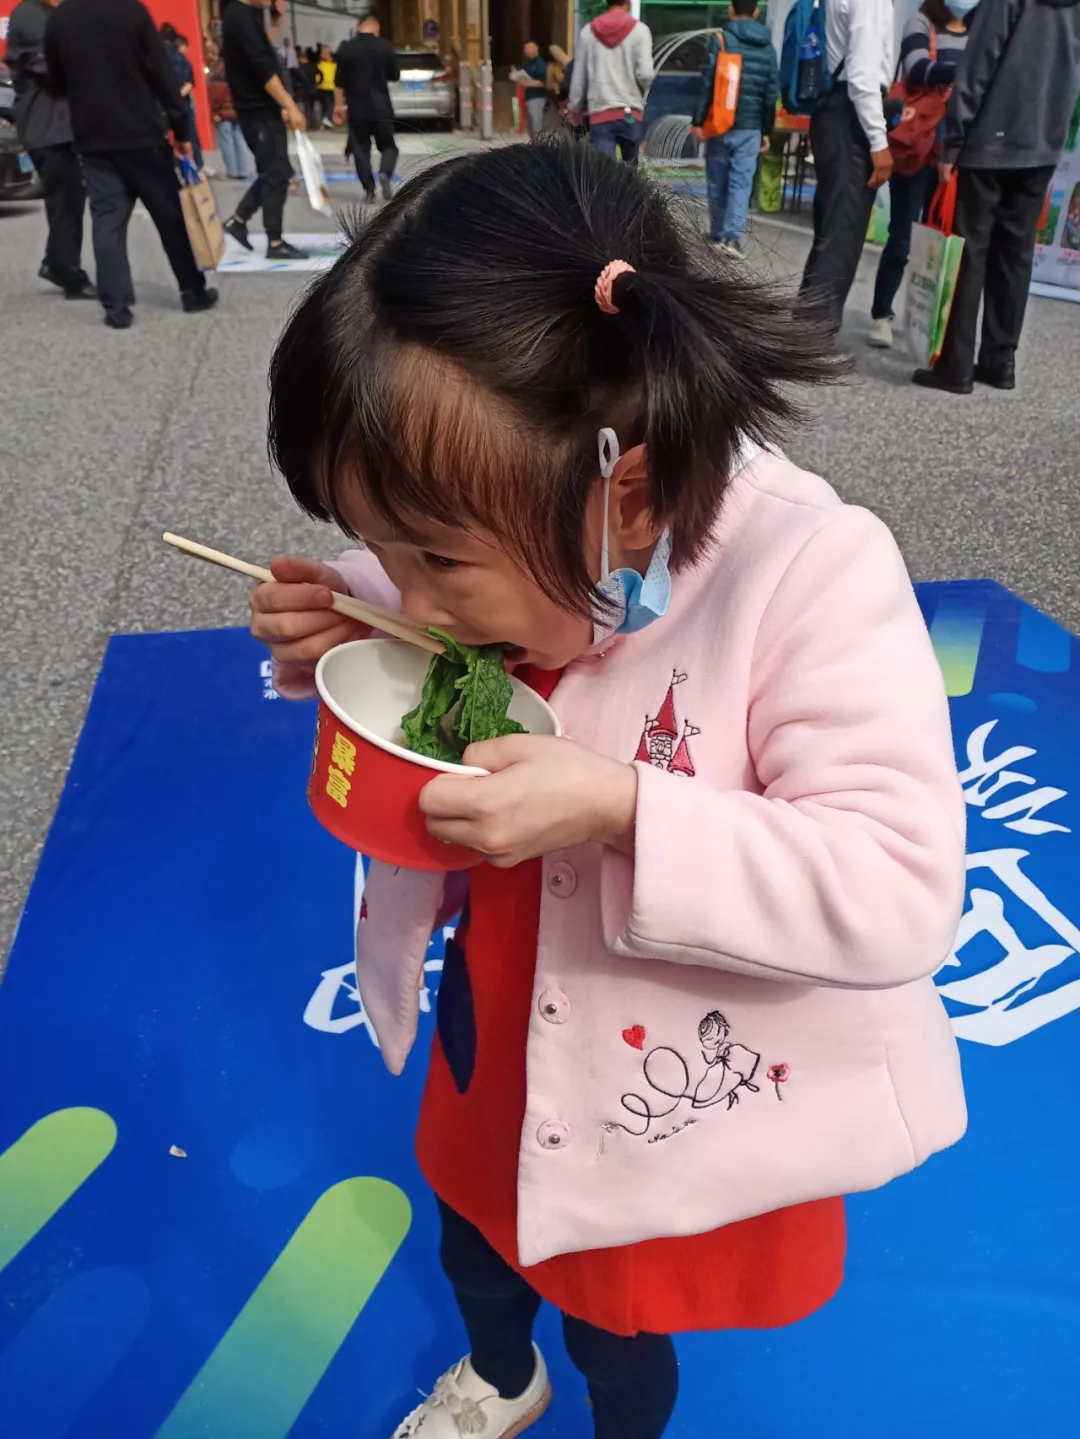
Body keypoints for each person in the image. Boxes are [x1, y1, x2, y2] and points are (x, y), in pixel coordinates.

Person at [250, 143, 967, 1439]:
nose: (414, 596)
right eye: (380, 547)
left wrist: (625, 807)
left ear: (624, 495)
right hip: (497, 1015)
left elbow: (899, 880)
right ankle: (499, 1373)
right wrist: (345, 617)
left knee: (615, 1323)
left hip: (649, 1070)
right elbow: (466, 598)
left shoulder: (806, 572)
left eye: (432, 559)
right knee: (473, 1236)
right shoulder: (524, 524)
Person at [913, 0, 1080, 393]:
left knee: (970, 252)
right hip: (1044, 141)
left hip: (991, 138)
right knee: (1016, 253)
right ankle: (1000, 361)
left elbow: (979, 63)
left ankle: (955, 366)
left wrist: (954, 142)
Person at [44, 0, 217, 329]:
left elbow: (55, 81)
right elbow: (161, 72)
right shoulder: (130, 11)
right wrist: (180, 128)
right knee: (169, 216)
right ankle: (192, 291)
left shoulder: (61, 17)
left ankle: (116, 305)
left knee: (106, 219)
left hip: (92, 137)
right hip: (141, 135)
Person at [867, 0, 973, 348]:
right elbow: (917, 68)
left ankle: (926, 321)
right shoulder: (921, 23)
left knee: (943, 242)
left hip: (956, 155)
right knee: (901, 236)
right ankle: (882, 313)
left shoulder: (981, 32)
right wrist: (971, 69)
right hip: (917, 151)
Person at [799, 0, 895, 334]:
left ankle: (804, 328)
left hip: (831, 111)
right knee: (842, 235)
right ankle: (814, 337)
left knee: (831, 230)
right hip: (851, 118)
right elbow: (863, 76)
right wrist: (879, 142)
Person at [6, 0, 95, 300]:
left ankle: (56, 263)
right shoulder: (30, 16)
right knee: (64, 202)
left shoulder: (50, 15)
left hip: (58, 126)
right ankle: (69, 274)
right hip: (45, 127)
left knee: (71, 199)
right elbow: (51, 70)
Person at [220, 0, 308, 262]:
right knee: (276, 174)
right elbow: (262, 68)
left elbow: (263, 53)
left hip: (263, 110)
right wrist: (290, 105)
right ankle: (274, 241)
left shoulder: (247, 15)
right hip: (257, 111)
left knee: (274, 172)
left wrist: (276, 22)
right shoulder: (239, 16)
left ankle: (238, 220)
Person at [690, 0, 779, 255]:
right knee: (741, 182)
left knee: (717, 180)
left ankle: (717, 233)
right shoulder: (768, 48)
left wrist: (698, 121)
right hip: (750, 127)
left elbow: (708, 83)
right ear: (757, 12)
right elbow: (770, 94)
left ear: (731, 10)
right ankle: (732, 239)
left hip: (720, 122)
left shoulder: (721, 41)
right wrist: (766, 130)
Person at [569, 0, 654, 165]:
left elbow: (579, 76)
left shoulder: (588, 32)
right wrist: (639, 93)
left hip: (600, 114)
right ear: (627, 3)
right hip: (630, 113)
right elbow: (645, 75)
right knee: (630, 172)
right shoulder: (640, 31)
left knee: (604, 171)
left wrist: (575, 109)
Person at [332, 11, 399, 202]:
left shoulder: (346, 48)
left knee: (361, 150)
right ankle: (385, 173)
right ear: (376, 27)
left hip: (357, 108)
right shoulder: (384, 47)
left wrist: (338, 106)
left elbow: (338, 82)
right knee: (388, 146)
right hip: (381, 107)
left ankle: (369, 190)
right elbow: (395, 75)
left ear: (358, 26)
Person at [161, 27, 202, 170]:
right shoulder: (181, 59)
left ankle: (172, 166)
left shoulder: (155, 56)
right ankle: (194, 166)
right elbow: (190, 83)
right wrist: (178, 96)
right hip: (182, 103)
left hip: (161, 105)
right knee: (188, 136)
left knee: (164, 138)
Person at [210, 58, 254, 180]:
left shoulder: (217, 81)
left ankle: (232, 171)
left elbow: (215, 100)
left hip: (223, 114)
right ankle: (243, 170)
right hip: (238, 112)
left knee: (226, 142)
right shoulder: (241, 76)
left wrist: (215, 113)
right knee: (240, 141)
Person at [519, 41, 549, 140]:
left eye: (530, 48)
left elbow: (541, 82)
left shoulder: (540, 64)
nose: (527, 50)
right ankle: (534, 145)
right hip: (528, 97)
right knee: (529, 126)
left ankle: (540, 145)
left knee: (537, 125)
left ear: (536, 49)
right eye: (525, 48)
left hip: (537, 97)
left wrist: (525, 84)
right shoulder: (528, 63)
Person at [315, 43, 336, 127]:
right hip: (322, 87)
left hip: (331, 87)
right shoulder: (320, 64)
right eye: (323, 52)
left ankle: (326, 119)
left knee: (329, 104)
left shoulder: (334, 64)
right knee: (326, 105)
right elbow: (317, 75)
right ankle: (325, 120)